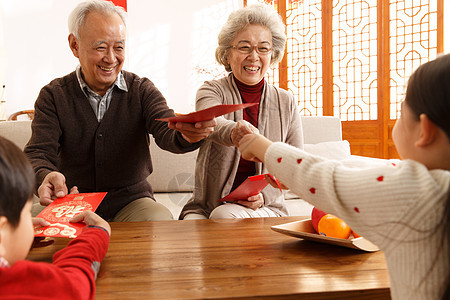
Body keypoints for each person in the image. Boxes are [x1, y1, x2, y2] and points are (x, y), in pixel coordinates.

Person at [238, 54, 450, 300]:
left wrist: (263, 146)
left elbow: (327, 179)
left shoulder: (416, 191)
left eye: (402, 112)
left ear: (425, 131)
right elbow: (350, 173)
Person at [24, 0, 216, 222]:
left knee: (159, 220)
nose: (111, 58)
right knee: (23, 223)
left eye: (119, 47)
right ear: (75, 45)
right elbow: (38, 152)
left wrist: (186, 134)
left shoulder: (141, 89)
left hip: (131, 202)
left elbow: (166, 130)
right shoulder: (53, 95)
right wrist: (47, 175)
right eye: (100, 47)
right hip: (71, 202)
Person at [179, 4, 303, 220]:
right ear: (227, 54)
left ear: (272, 54)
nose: (254, 56)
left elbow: (295, 164)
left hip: (266, 207)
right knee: (197, 222)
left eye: (263, 48)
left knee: (224, 216)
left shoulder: (286, 101)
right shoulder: (211, 90)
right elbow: (210, 120)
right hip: (207, 207)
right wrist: (235, 131)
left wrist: (263, 195)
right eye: (244, 47)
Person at [0, 136, 111, 299]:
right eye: (26, 213)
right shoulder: (22, 285)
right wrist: (95, 236)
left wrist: (14, 239)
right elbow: (73, 285)